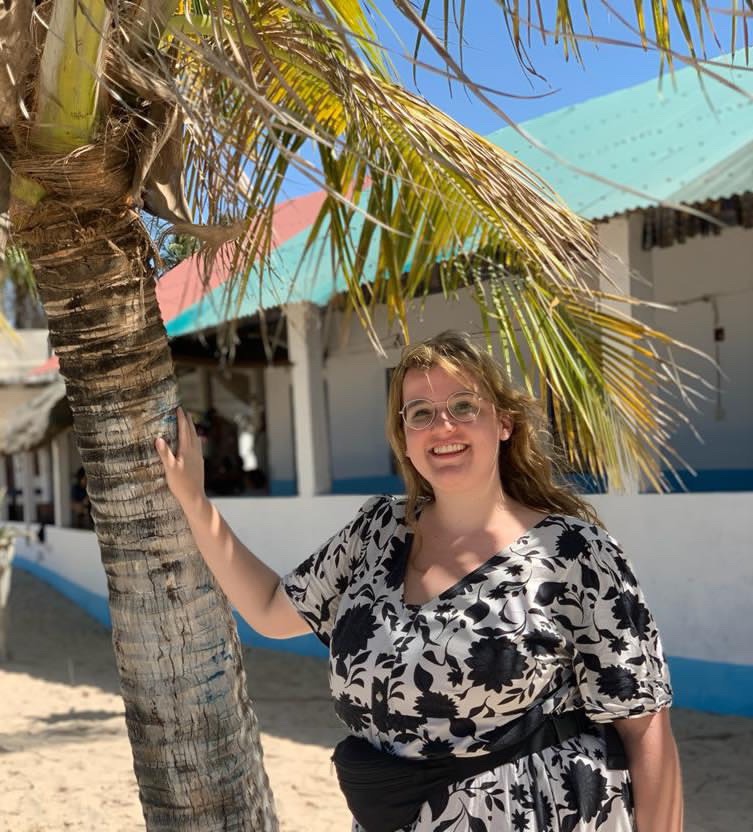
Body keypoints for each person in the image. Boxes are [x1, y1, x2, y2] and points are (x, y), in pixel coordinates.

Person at [155, 330, 683, 832]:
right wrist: (196, 503)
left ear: (503, 423)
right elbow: (271, 609)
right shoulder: (375, 532)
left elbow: (646, 729)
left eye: (463, 406)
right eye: (421, 414)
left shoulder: (574, 552)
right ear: (403, 439)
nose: (443, 426)